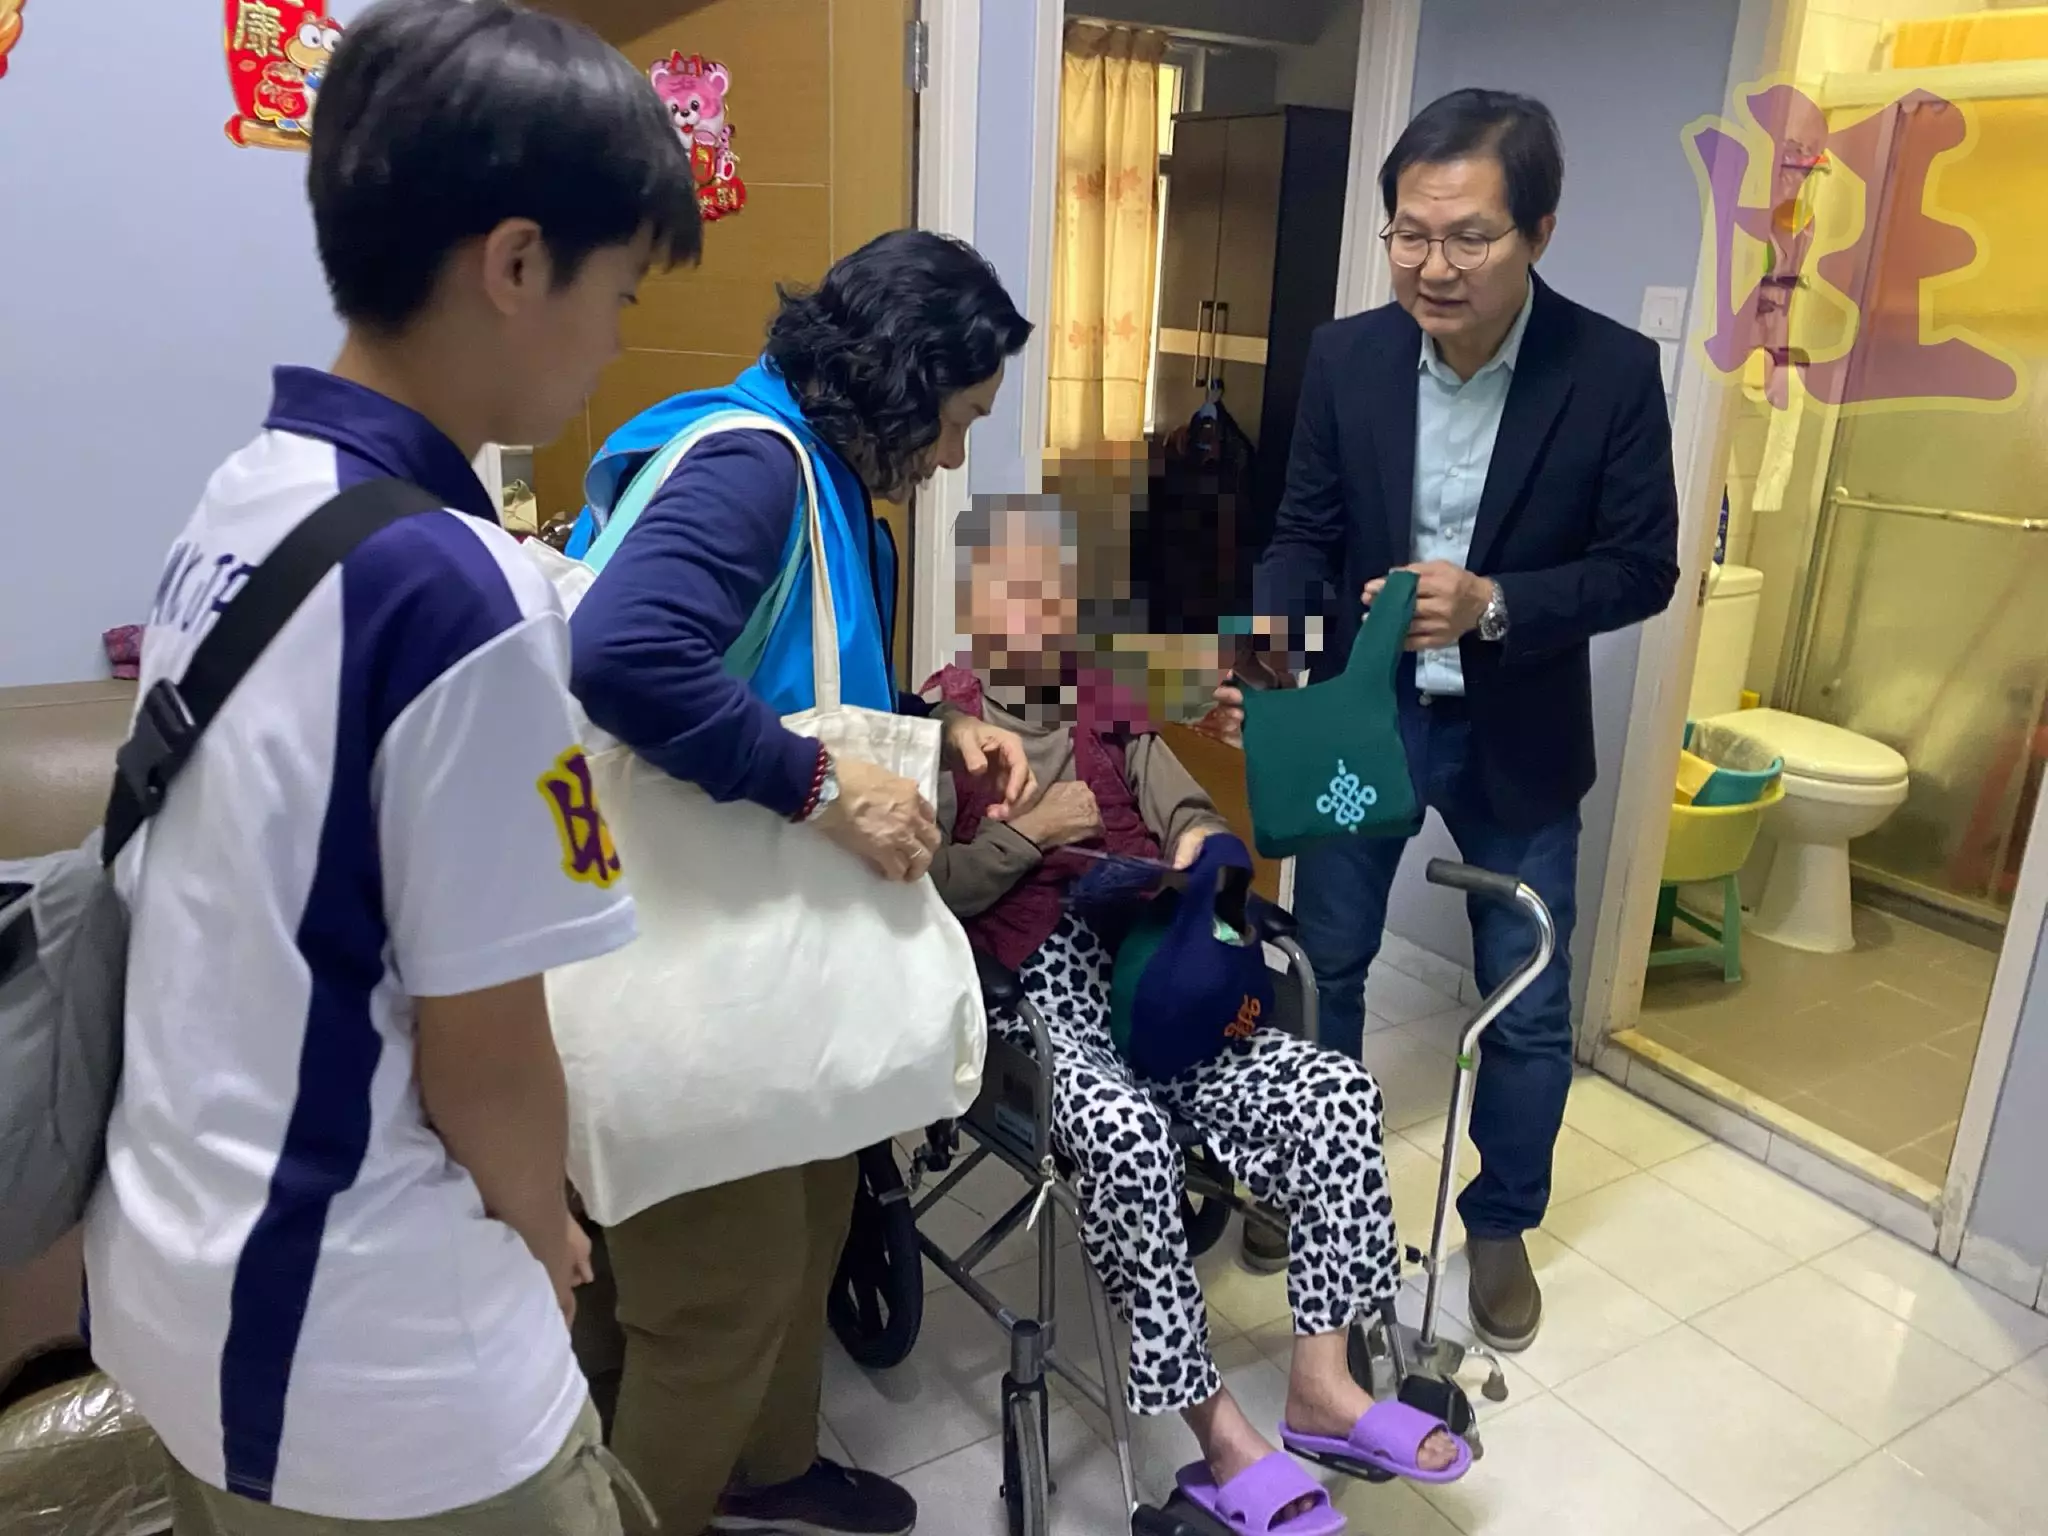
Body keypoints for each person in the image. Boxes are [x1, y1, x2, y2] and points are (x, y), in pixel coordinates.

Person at [82, 3, 700, 1533]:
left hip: (171, 1282)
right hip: (381, 1365)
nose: (618, 340)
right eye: (618, 292)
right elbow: (485, 1057)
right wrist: (547, 1237)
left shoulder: (248, 496)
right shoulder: (459, 593)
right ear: (516, 264)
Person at [567, 230, 1036, 1536]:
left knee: (820, 1203)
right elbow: (623, 659)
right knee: (713, 1296)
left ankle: (769, 1471)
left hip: (771, 956)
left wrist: (935, 732)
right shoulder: (751, 468)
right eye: (959, 420)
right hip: (691, 961)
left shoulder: (822, 490)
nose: (954, 458)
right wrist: (824, 789)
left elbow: (798, 688)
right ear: (903, 382)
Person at [1216, 89, 1680, 1354]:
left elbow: (1641, 568)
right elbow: (1303, 530)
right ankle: (1307, 1176)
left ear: (1536, 230)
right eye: (1409, 234)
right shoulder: (1348, 356)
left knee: (1524, 995)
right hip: (1362, 722)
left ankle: (1501, 1219)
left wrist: (1493, 604)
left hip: (1514, 737)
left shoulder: (1609, 371)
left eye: (1468, 236)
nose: (1433, 265)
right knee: (1327, 960)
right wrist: (1268, 634)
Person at [928, 498, 1468, 1533]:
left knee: (1334, 1090)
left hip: (1162, 977)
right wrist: (1030, 836)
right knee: (1130, 1139)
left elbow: (1193, 811)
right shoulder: (941, 725)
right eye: (1013, 589)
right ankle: (1217, 1434)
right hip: (1037, 1009)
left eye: (1056, 590)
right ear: (973, 604)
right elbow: (926, 893)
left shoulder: (1108, 707)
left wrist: (1193, 852)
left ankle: (1323, 1387)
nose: (1039, 611)